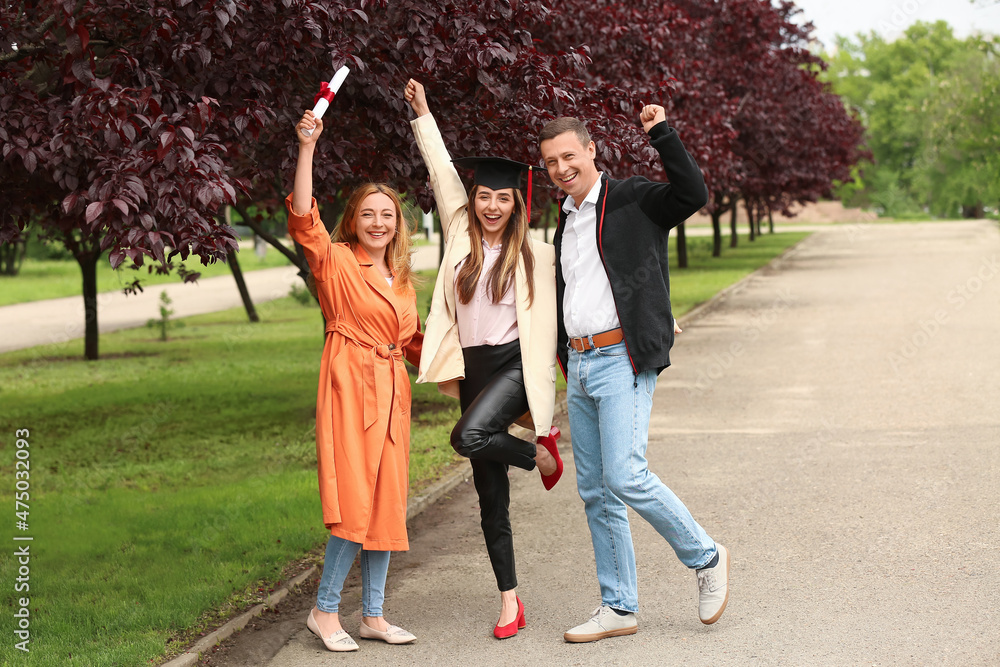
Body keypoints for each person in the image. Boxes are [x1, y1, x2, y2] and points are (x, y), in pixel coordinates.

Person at [537, 106, 729, 643]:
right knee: (596, 492)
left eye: (569, 156)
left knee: (625, 475)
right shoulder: (567, 219)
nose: (560, 167)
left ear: (591, 150)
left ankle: (707, 557)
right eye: (551, 161)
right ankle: (618, 606)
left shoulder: (632, 198)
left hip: (621, 359)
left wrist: (662, 134)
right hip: (579, 364)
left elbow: (691, 195)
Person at [404, 79, 562, 640]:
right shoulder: (458, 235)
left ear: (517, 200)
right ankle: (510, 601)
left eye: (503, 197)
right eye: (484, 196)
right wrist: (423, 114)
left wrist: (651, 319)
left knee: (465, 438)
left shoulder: (538, 252)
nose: (491, 205)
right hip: (473, 370)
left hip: (515, 367)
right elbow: (442, 171)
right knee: (489, 500)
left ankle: (538, 457)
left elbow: (595, 279)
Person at [288, 109, 423, 652]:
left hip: (392, 395)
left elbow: (419, 345)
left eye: (387, 215)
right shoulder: (337, 261)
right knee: (353, 500)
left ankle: (373, 615)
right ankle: (323, 611)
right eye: (368, 214)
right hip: (350, 386)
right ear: (353, 220)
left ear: (398, 223)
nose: (378, 223)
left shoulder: (405, 281)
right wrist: (307, 149)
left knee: (386, 501)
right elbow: (302, 218)